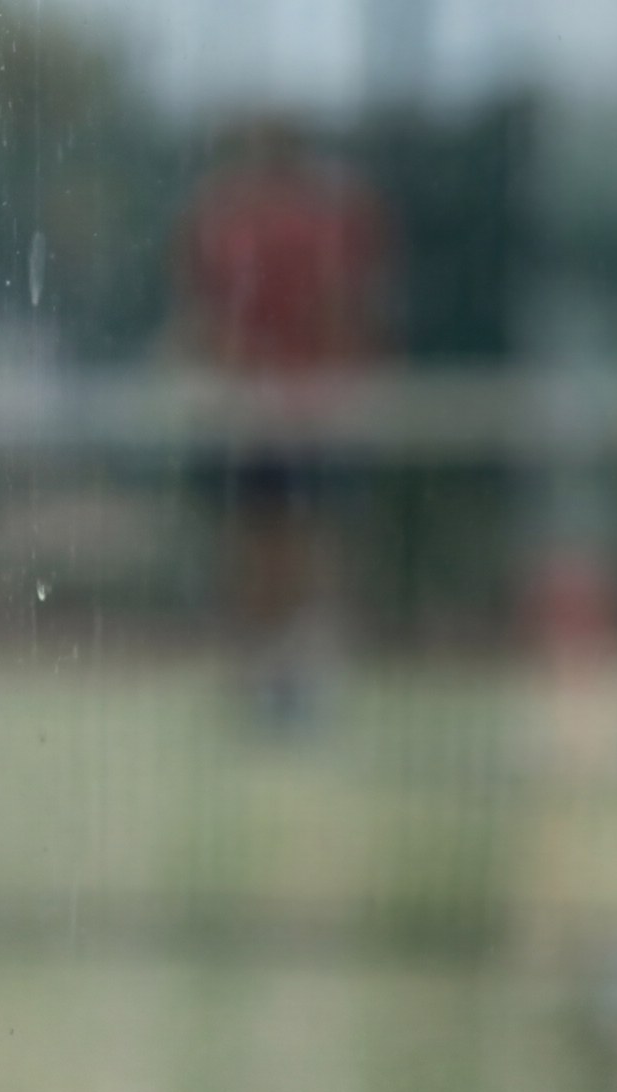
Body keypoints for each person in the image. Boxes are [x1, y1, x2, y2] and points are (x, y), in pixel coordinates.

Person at [172, 113, 393, 734]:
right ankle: (266, 686)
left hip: (304, 413)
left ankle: (294, 687)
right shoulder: (225, 217)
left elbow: (346, 310)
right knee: (267, 549)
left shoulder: (329, 217)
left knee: (299, 548)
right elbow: (206, 316)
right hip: (257, 416)